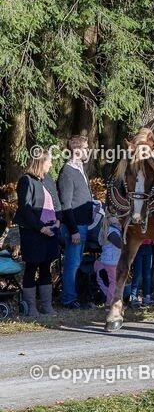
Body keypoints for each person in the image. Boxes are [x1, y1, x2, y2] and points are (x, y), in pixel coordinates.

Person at [15, 148, 62, 317]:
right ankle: (31, 307)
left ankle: (47, 305)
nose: (51, 164)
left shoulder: (48, 179)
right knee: (32, 266)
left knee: (45, 266)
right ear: (41, 162)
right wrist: (41, 228)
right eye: (49, 161)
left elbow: (57, 202)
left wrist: (58, 220)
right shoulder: (26, 181)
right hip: (33, 232)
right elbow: (25, 208)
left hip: (51, 229)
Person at [57, 134, 93, 308]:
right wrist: (73, 230)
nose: (88, 150)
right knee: (72, 263)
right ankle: (69, 299)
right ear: (77, 150)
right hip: (75, 226)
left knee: (77, 262)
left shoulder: (80, 169)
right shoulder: (67, 172)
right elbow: (66, 204)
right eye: (86, 148)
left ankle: (76, 296)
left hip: (84, 224)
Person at [94, 212, 122, 308]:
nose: (118, 218)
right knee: (113, 283)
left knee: (107, 282)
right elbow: (120, 245)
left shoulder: (105, 229)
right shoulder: (112, 231)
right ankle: (110, 302)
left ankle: (109, 299)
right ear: (110, 219)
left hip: (106, 260)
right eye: (115, 216)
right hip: (112, 262)